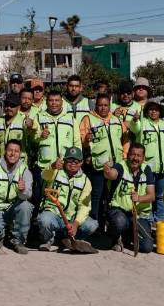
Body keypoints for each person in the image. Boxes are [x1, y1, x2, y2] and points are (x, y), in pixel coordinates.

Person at [0, 138, 33, 254]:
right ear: (5, 151)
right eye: (10, 150)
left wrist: (22, 190)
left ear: (20, 154)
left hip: (14, 208)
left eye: (16, 151)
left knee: (26, 206)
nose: (13, 154)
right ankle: (0, 235)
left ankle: (18, 241)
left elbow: (27, 195)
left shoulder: (25, 170)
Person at [80, 92, 126, 227]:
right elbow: (81, 139)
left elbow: (125, 139)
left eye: (106, 105)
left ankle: (113, 226)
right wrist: (86, 140)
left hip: (116, 166)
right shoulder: (88, 119)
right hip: (97, 166)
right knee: (97, 197)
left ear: (110, 106)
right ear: (96, 105)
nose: (103, 108)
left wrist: (125, 155)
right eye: (100, 105)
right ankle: (95, 224)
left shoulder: (116, 120)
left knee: (113, 196)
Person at [37, 147, 96, 251]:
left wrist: (76, 224)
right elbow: (44, 175)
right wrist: (52, 166)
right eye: (69, 160)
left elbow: (84, 207)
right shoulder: (55, 171)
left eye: (76, 161)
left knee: (92, 224)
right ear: (64, 161)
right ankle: (48, 241)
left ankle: (71, 240)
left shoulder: (86, 181)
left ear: (81, 162)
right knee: (44, 219)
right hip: (54, 214)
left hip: (71, 219)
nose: (73, 163)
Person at [129, 98, 164, 221]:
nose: (153, 112)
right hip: (148, 167)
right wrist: (135, 120)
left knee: (162, 197)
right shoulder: (142, 122)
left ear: (160, 112)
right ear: (147, 111)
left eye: (156, 109)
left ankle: (161, 222)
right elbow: (135, 128)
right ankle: (148, 222)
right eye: (151, 109)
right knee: (148, 196)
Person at [104, 142, 156, 253]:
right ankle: (114, 238)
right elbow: (113, 174)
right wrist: (107, 171)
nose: (135, 158)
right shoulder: (121, 166)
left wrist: (139, 198)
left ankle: (127, 236)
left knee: (147, 247)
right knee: (119, 222)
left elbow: (152, 196)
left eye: (139, 156)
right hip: (119, 211)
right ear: (128, 155)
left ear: (143, 158)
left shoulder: (147, 170)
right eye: (132, 154)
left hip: (138, 215)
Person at [34, 90, 79, 204]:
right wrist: (40, 135)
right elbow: (32, 141)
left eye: (57, 100)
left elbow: (77, 143)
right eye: (51, 100)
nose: (54, 103)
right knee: (42, 197)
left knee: (62, 198)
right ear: (47, 102)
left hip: (65, 167)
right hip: (46, 167)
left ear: (62, 103)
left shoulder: (71, 119)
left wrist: (75, 163)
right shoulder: (39, 117)